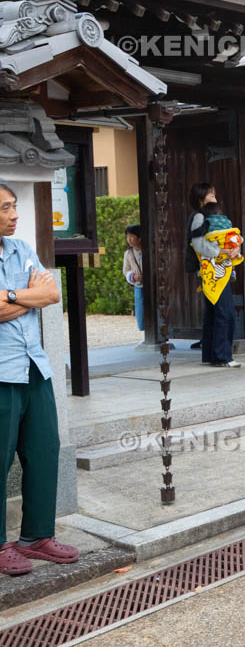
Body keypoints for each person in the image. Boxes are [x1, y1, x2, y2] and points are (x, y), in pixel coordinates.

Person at [0, 184, 79, 576]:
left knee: (45, 448)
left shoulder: (22, 249)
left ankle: (36, 537)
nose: (14, 215)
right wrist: (27, 295)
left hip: (34, 365)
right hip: (0, 371)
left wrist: (10, 296)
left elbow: (50, 293)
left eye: (14, 206)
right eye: (5, 209)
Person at [189, 183, 241, 367]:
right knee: (225, 312)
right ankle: (223, 356)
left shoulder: (214, 217)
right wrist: (223, 252)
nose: (214, 199)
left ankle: (211, 354)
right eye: (210, 196)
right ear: (200, 199)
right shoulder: (199, 217)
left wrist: (235, 250)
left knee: (214, 313)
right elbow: (198, 244)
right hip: (212, 272)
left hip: (218, 270)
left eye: (214, 195)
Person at [122, 224, 144, 343]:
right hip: (138, 286)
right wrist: (133, 276)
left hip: (151, 286)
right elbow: (125, 270)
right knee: (140, 311)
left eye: (132, 236)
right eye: (127, 237)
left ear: (139, 238)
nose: (129, 240)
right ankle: (145, 333)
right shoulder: (128, 253)